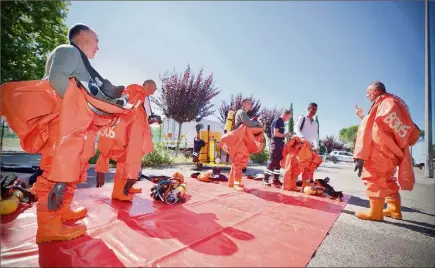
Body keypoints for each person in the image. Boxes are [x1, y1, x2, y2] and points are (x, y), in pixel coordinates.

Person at [1, 23, 129, 243]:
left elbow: (81, 93)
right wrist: (79, 113)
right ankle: (49, 227)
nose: (98, 47)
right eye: (96, 41)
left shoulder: (78, 59)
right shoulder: (68, 50)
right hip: (64, 125)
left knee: (72, 170)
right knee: (55, 173)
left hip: (72, 125)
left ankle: (61, 212)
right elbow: (57, 80)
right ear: (81, 37)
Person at [353, 81, 420, 221]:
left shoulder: (385, 102)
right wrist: (363, 116)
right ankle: (394, 209)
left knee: (374, 177)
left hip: (380, 150)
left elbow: (371, 126)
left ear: (376, 91)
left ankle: (375, 213)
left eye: (368, 91)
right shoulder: (395, 103)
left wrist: (361, 154)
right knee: (388, 179)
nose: (367, 95)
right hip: (391, 152)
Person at [95, 80, 160, 201]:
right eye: (154, 88)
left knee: (123, 164)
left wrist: (101, 168)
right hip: (131, 135)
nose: (155, 91)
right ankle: (122, 190)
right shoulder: (141, 98)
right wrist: (132, 176)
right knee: (127, 163)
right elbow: (135, 142)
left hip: (119, 134)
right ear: (147, 86)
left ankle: (121, 190)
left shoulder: (128, 97)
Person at [263, 109, 293, 186]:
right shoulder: (277, 121)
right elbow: (276, 134)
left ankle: (275, 180)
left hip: (280, 144)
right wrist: (286, 134)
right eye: (288, 117)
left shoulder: (282, 122)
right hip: (275, 144)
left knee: (278, 163)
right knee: (272, 161)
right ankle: (265, 179)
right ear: (285, 114)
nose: (288, 119)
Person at [295, 103, 323, 184]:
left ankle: (306, 182)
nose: (314, 111)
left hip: (309, 147)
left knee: (312, 164)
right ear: (308, 109)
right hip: (300, 145)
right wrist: (302, 137)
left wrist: (317, 146)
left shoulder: (315, 123)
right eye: (313, 109)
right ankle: (293, 182)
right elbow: (296, 128)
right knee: (298, 165)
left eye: (316, 110)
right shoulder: (302, 118)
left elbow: (316, 135)